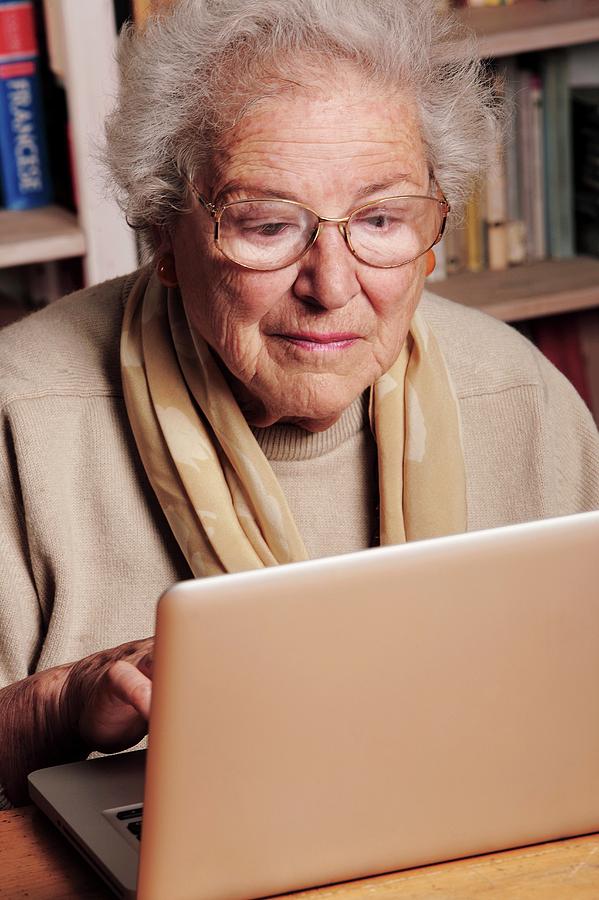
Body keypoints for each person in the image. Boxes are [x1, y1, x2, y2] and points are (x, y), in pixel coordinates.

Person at [1, 0, 597, 808]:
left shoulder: (520, 396)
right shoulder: (21, 416)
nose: (332, 285)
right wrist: (60, 708)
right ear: (163, 235)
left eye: (381, 219)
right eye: (267, 224)